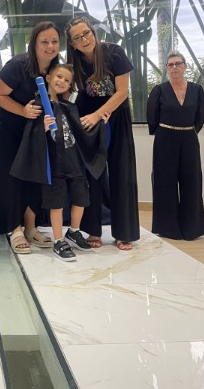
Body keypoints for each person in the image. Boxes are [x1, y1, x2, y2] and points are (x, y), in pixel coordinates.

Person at [0, 21, 61, 253]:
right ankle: (15, 229)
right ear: (34, 44)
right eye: (44, 42)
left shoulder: (56, 68)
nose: (50, 46)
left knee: (34, 176)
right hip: (8, 127)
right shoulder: (18, 65)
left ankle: (31, 227)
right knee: (10, 178)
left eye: (54, 41)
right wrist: (23, 111)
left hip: (36, 129)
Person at [10, 63, 109, 261]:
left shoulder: (70, 107)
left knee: (81, 198)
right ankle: (58, 240)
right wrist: (43, 128)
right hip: (55, 164)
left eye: (67, 80)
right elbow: (30, 135)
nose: (62, 81)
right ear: (48, 78)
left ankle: (74, 231)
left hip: (74, 162)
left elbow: (80, 132)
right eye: (59, 77)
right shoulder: (37, 105)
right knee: (56, 202)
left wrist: (100, 123)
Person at [65, 15, 140, 250]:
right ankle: (93, 230)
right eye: (77, 38)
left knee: (121, 172)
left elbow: (122, 92)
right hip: (88, 122)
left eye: (86, 33)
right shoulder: (74, 62)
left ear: (93, 32)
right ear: (72, 44)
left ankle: (124, 232)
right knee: (92, 176)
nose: (84, 39)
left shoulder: (114, 53)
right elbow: (70, 92)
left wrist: (100, 114)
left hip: (115, 118)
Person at [147, 51, 204, 240]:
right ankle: (168, 228)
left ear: (185, 66)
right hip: (165, 139)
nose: (174, 67)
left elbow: (200, 117)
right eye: (170, 64)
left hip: (189, 139)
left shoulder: (197, 90)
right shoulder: (159, 90)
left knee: (191, 182)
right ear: (166, 69)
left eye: (178, 63)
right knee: (165, 182)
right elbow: (152, 118)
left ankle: (191, 228)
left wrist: (188, 131)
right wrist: (165, 133)